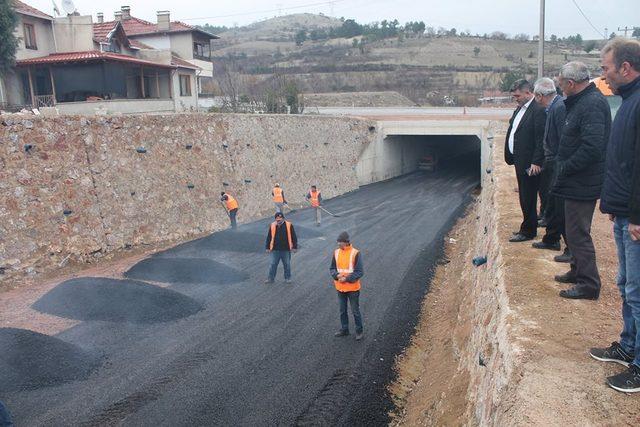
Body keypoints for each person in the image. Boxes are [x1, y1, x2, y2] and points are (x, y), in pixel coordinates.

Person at [590, 38, 640, 393]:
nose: (603, 75)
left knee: (638, 291)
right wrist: (614, 206)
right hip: (624, 212)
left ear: (625, 67)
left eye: (606, 67)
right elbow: (622, 162)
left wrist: (636, 214)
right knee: (626, 285)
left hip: (635, 217)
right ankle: (628, 346)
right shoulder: (628, 102)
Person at [553, 61, 611, 300]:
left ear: (570, 83)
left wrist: (566, 166)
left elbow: (592, 147)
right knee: (572, 228)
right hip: (576, 180)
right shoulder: (582, 101)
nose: (560, 88)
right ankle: (577, 271)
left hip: (582, 180)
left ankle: (588, 285)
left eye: (561, 84)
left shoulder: (592, 104)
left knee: (578, 233)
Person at [504, 79, 547, 242]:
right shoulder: (519, 109)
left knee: (528, 196)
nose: (516, 98)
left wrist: (536, 162)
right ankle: (527, 225)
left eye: (518, 95)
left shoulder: (537, 110)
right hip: (519, 160)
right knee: (524, 195)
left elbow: (540, 138)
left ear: (528, 93)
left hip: (530, 163)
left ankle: (528, 230)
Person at [531, 77, 568, 253]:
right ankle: (551, 238)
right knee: (552, 202)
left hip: (556, 163)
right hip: (553, 161)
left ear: (539, 96)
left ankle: (561, 243)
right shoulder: (555, 106)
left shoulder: (559, 108)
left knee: (558, 204)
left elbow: (563, 139)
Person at [330, 231, 364, 340]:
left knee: (355, 311)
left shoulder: (355, 253)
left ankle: (359, 331)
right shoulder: (336, 252)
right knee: (342, 310)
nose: (338, 244)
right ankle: (345, 329)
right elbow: (332, 268)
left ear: (346, 242)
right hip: (340, 287)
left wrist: (346, 278)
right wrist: (337, 275)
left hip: (352, 288)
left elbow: (359, 272)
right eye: (338, 242)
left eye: (340, 242)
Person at [265, 212, 297, 284]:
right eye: (277, 219)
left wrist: (295, 247)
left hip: (286, 249)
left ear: (283, 218)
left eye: (279, 219)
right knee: (273, 264)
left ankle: (287, 278)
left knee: (287, 264)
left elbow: (293, 236)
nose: (278, 220)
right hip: (275, 250)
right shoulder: (272, 225)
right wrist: (267, 247)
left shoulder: (289, 225)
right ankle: (271, 279)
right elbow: (269, 237)